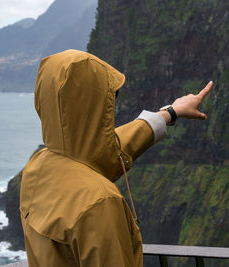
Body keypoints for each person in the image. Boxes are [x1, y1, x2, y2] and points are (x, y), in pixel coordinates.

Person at [20, 49, 212, 267]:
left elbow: (106, 149)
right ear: (94, 107)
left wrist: (170, 112)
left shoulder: (37, 167)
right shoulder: (99, 202)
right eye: (109, 98)